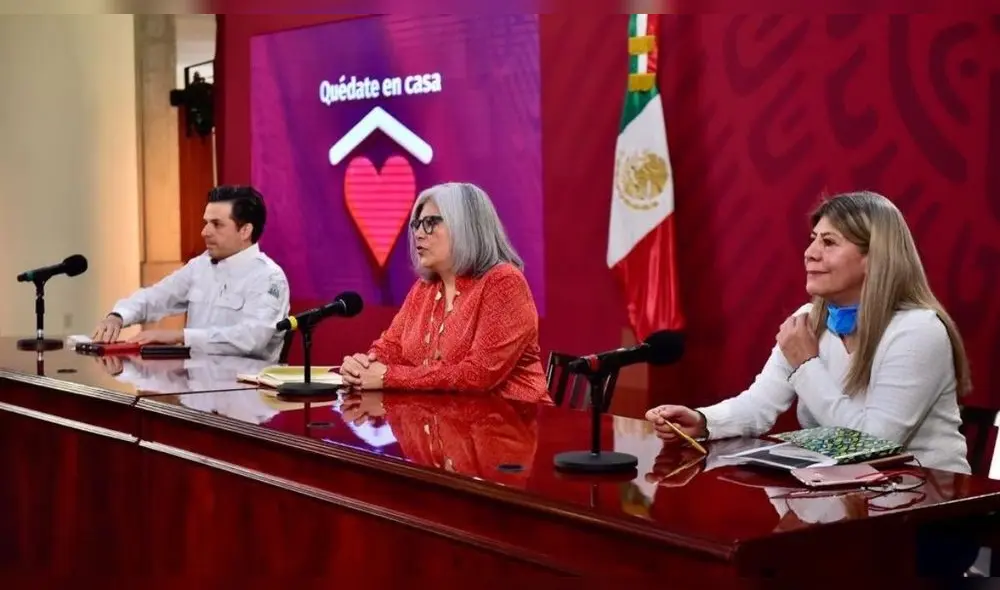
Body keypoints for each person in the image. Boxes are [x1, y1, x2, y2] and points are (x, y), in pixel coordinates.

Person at [646, 191, 978, 576]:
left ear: (874, 258)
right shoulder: (808, 318)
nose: (810, 252)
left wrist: (806, 363)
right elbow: (758, 405)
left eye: (829, 242)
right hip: (837, 506)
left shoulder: (917, 330)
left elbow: (875, 442)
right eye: (812, 239)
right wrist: (702, 420)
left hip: (923, 518)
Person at [338, 182, 550, 403]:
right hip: (444, 422)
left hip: (510, 424)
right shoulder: (424, 288)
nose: (419, 234)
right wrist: (363, 367)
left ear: (466, 227)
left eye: (430, 223)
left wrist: (387, 376)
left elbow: (477, 375)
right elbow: (391, 346)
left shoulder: (504, 282)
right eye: (417, 224)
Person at [91, 185, 290, 362]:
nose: (205, 232)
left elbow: (251, 338)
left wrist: (182, 336)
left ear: (245, 231)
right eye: (206, 222)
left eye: (217, 224)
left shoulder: (268, 277)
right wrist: (118, 316)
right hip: (196, 387)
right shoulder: (200, 265)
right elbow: (156, 296)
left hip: (243, 391)